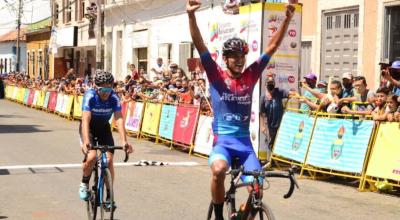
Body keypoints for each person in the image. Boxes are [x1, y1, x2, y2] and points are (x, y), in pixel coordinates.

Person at [187, 0, 295, 219]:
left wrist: (287, 18)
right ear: (225, 59)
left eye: (242, 56)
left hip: (245, 144)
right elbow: (200, 45)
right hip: (223, 142)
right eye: (234, 56)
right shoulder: (216, 75)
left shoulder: (251, 74)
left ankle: (244, 215)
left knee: (258, 190)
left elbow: (271, 47)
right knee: (218, 171)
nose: (239, 60)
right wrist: (191, 16)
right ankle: (218, 215)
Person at [79, 70, 133, 209]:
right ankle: (84, 183)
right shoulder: (90, 96)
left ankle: (109, 196)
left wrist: (124, 141)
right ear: (96, 87)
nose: (106, 92)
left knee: (108, 160)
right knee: (91, 157)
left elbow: (119, 118)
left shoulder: (114, 97)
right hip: (89, 129)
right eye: (103, 89)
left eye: (109, 88)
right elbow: (85, 119)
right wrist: (86, 141)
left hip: (103, 128)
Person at [260, 75, 295, 157]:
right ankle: (271, 160)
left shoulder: (279, 91)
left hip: (281, 123)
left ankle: (278, 159)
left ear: (274, 84)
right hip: (269, 125)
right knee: (271, 142)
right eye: (269, 83)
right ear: (265, 84)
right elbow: (262, 113)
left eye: (272, 82)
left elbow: (290, 94)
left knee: (280, 141)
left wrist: (294, 95)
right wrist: (262, 126)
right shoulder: (263, 97)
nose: (270, 84)